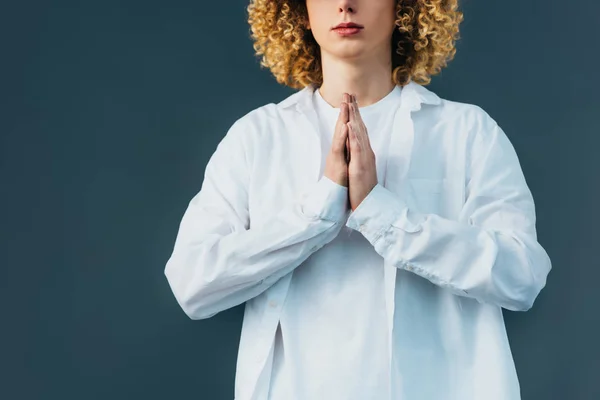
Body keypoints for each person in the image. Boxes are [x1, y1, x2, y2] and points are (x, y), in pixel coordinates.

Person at [164, 0, 552, 399]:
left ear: (405, 6)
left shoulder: (468, 132)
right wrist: (318, 212)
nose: (346, 5)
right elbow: (193, 283)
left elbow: (521, 276)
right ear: (299, 10)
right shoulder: (257, 137)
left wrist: (381, 213)